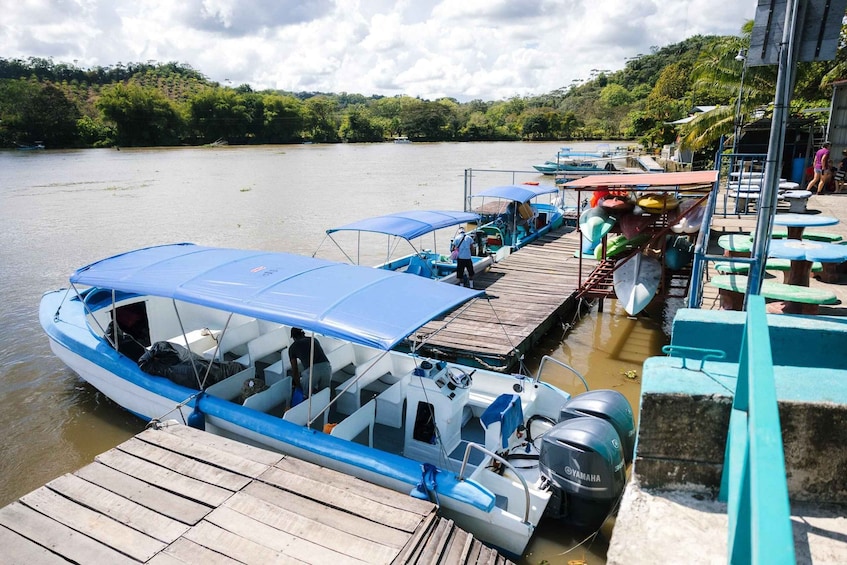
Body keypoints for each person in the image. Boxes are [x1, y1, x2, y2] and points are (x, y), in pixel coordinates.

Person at [287, 327, 331, 396]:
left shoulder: (293, 347)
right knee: (324, 394)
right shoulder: (314, 339)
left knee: (306, 395)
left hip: (312, 370)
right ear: (303, 334)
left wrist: (298, 386)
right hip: (326, 367)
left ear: (294, 337)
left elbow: (295, 370)